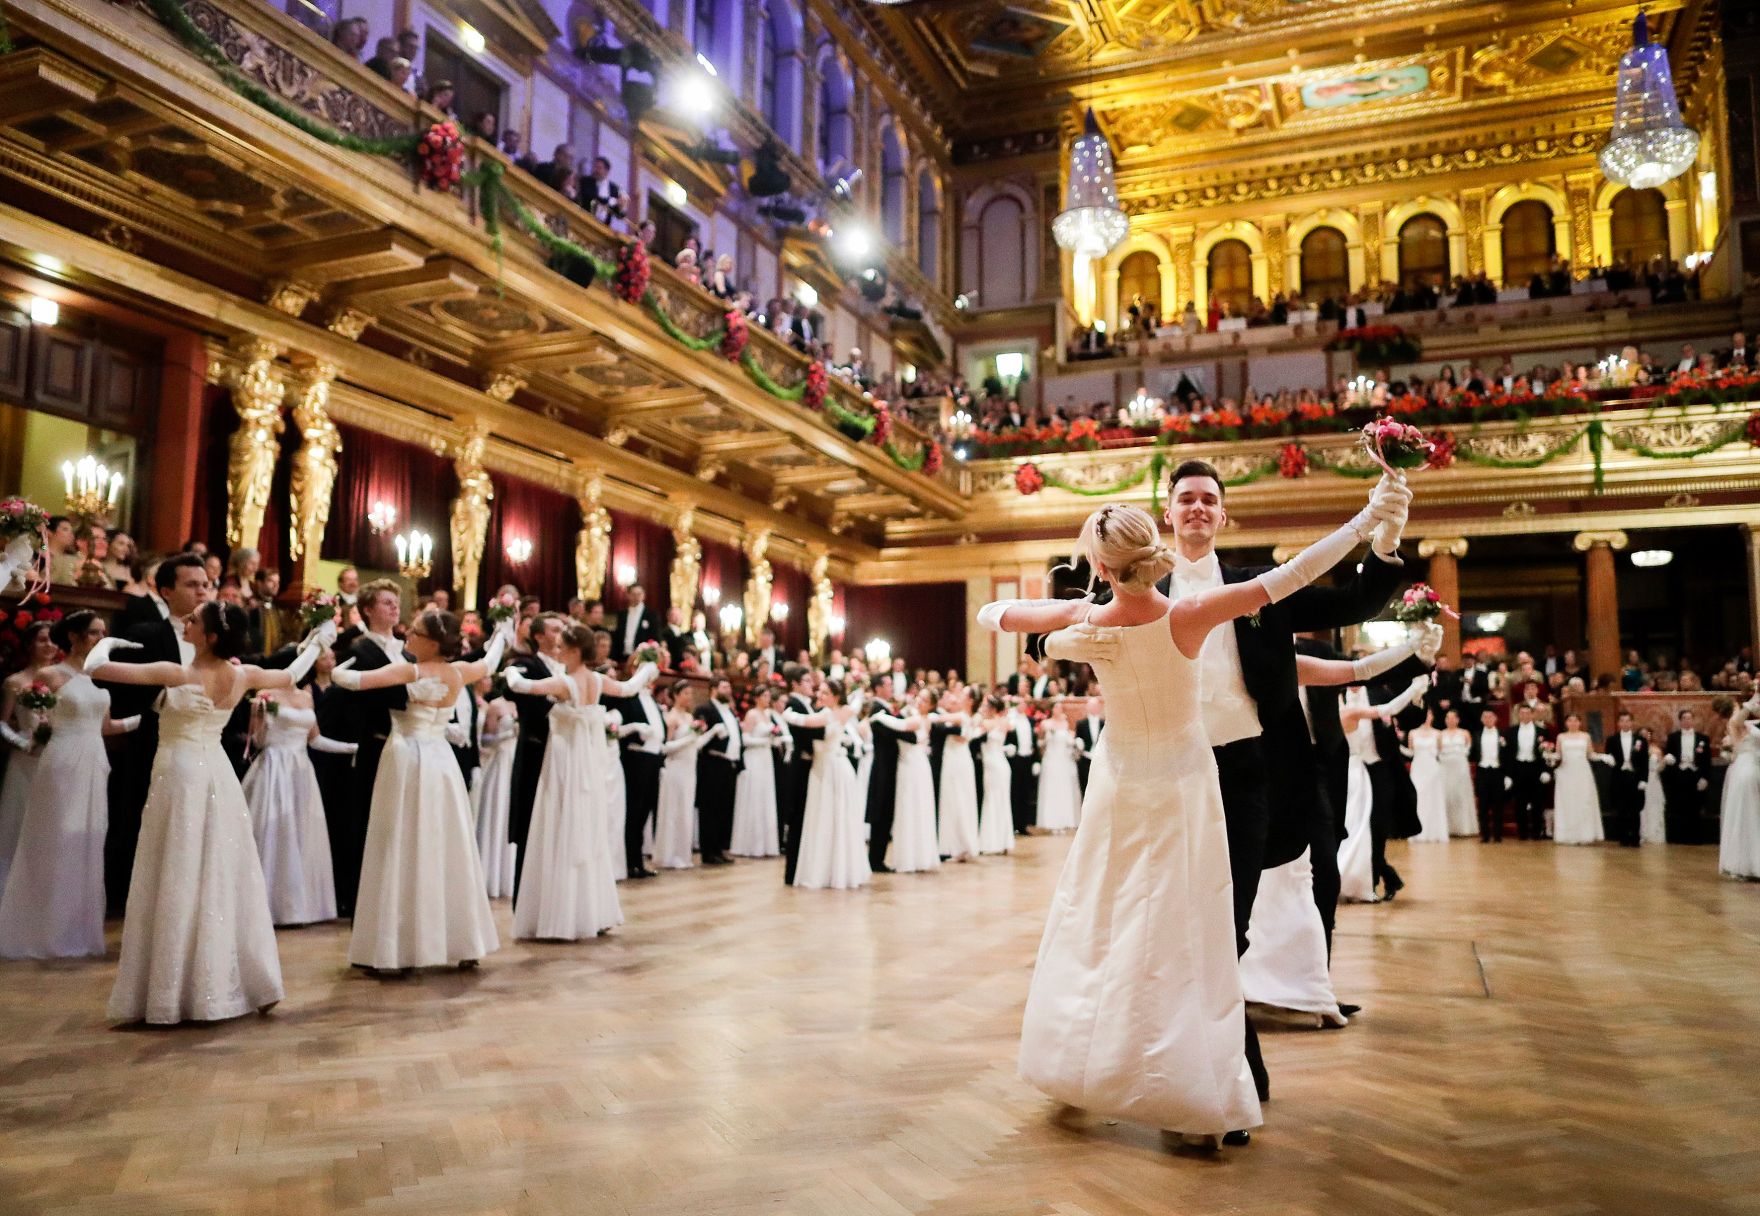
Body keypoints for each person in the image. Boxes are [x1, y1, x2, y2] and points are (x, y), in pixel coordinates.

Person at [978, 493, 1401, 1148]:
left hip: (1118, 787)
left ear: (1100, 563)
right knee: (1194, 932)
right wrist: (1364, 520)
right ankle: (1194, 1083)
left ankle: (1090, 1060)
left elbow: (992, 611)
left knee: (1102, 919)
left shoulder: (1088, 617)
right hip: (1181, 783)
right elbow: (1290, 577)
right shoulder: (1192, 613)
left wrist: (1065, 619)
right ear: (1154, 548)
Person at [1150, 459, 1409, 1102]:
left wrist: (1388, 536)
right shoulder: (1142, 588)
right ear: (1168, 513)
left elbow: (1357, 599)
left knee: (1229, 924)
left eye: (1209, 499)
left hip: (1244, 772)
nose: (1198, 509)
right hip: (1168, 776)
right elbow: (1069, 621)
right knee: (1177, 924)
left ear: (1223, 514)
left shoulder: (1258, 587)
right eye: (1186, 499)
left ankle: (1230, 1073)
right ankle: (1216, 1065)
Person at [89, 602, 332, 1022]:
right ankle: (236, 982)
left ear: (211, 636)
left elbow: (95, 668)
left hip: (180, 775)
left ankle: (174, 991)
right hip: (217, 772)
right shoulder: (242, 675)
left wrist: (108, 640)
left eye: (194, 620)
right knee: (220, 870)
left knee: (178, 869)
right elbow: (292, 674)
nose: (186, 622)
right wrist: (317, 641)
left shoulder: (177, 672)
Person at [331, 610, 508, 973]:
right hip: (441, 761)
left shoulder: (409, 670)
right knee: (447, 842)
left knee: (399, 842)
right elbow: (490, 660)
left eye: (415, 632)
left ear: (432, 642)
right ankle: (463, 941)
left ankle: (397, 948)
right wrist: (503, 632)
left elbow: (348, 681)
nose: (407, 635)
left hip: (407, 759)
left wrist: (338, 662)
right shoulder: (461, 671)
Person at [0, 612, 139, 958]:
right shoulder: (51, 675)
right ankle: (41, 930)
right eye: (94, 633)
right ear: (74, 637)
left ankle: (74, 930)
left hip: (93, 762)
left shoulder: (98, 677)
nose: (101, 638)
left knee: (88, 838)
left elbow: (106, 727)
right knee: (55, 837)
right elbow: (34, 717)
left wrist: (144, 720)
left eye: (104, 633)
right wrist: (32, 738)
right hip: (62, 759)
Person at [503, 627, 656, 939]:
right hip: (585, 761)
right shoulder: (598, 680)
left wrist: (508, 670)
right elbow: (629, 688)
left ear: (574, 650)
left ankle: (560, 915)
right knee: (584, 826)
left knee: (558, 824)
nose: (557, 651)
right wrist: (648, 669)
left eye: (561, 646)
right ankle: (589, 909)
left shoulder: (565, 682)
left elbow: (523, 686)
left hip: (563, 760)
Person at [241, 665, 356, 926]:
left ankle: (302, 907)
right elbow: (256, 741)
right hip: (274, 765)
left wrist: (352, 748)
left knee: (302, 833)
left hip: (301, 769)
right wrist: (263, 718)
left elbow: (314, 740)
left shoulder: (306, 696)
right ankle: (269, 906)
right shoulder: (265, 694)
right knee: (275, 832)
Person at [504, 612, 568, 896]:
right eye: (555, 629)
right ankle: (526, 899)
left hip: (565, 757)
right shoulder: (526, 665)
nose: (561, 635)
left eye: (564, 630)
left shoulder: (570, 670)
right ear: (539, 636)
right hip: (536, 753)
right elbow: (512, 692)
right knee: (530, 826)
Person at [786, 680, 868, 889]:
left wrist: (785, 712)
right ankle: (838, 867)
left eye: (824, 693)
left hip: (827, 769)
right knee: (834, 817)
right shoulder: (846, 710)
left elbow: (801, 720)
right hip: (837, 767)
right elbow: (858, 703)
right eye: (819, 691)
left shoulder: (825, 715)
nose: (819, 696)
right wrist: (859, 691)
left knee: (827, 816)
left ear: (835, 696)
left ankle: (827, 869)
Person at [0, 622, 58, 900]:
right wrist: (23, 742)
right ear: (30, 645)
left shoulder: (61, 680)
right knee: (17, 822)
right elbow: (2, 724)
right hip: (25, 758)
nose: (49, 646)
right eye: (42, 640)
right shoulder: (15, 682)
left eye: (52, 640)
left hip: (53, 758)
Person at [651, 684, 721, 869]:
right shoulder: (671, 717)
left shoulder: (690, 717)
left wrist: (710, 732)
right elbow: (666, 747)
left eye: (691, 693)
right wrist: (688, 738)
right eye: (686, 693)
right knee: (673, 810)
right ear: (676, 695)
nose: (690, 696)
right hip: (676, 768)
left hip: (690, 768)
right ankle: (669, 855)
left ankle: (683, 854)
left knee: (685, 811)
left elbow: (696, 744)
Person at [860, 692, 916, 871]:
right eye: (887, 685)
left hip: (889, 768)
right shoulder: (878, 711)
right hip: (883, 770)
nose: (890, 687)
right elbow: (901, 734)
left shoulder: (885, 713)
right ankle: (875, 859)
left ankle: (877, 858)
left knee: (885, 813)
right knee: (881, 812)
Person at [694, 677, 744, 865]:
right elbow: (699, 737)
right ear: (713, 689)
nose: (729, 689)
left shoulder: (729, 711)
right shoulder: (705, 710)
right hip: (712, 763)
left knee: (724, 807)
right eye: (724, 686)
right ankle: (709, 850)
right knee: (710, 808)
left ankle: (720, 848)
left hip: (729, 764)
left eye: (729, 686)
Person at [473, 691, 519, 896]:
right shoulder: (496, 706)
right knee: (496, 811)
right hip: (499, 761)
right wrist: (507, 734)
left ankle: (508, 876)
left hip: (514, 760)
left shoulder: (517, 705)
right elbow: (486, 738)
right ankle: (489, 876)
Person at [729, 687, 781, 858]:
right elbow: (745, 738)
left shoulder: (768, 715)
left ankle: (766, 844)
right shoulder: (752, 714)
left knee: (765, 796)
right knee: (754, 795)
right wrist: (764, 740)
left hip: (766, 758)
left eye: (768, 695)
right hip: (754, 757)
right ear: (757, 698)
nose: (768, 698)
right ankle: (750, 844)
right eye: (765, 695)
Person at [932, 690, 980, 862]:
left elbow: (936, 719)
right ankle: (958, 845)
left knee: (956, 800)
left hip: (956, 762)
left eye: (962, 695)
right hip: (957, 759)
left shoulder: (961, 716)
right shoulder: (966, 717)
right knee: (957, 801)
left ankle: (959, 845)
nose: (958, 697)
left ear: (969, 700)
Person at [1718, 697, 1760, 879]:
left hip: (1752, 768)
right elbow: (1738, 720)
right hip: (1746, 769)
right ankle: (1745, 862)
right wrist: (1752, 701)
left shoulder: (1749, 725)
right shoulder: (1734, 725)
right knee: (1747, 814)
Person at [1550, 712, 1606, 845]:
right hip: (1566, 772)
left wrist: (1603, 757)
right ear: (1566, 723)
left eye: (1576, 721)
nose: (1573, 723)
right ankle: (1567, 834)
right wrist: (1550, 756)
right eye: (1570, 720)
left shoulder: (1585, 736)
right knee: (1568, 800)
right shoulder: (1561, 737)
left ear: (1580, 723)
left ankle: (1585, 833)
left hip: (1582, 771)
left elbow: (1590, 754)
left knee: (1584, 800)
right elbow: (1558, 755)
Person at [1663, 710, 1712, 842]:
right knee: (1679, 806)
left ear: (1693, 720)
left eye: (1689, 718)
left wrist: (1705, 778)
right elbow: (1668, 755)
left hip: (1695, 774)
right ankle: (1679, 837)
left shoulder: (1703, 739)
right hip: (1679, 774)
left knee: (1695, 806)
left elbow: (1707, 761)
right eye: (1684, 718)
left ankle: (1695, 837)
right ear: (1680, 721)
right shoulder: (1673, 737)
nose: (1687, 721)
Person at [1603, 710, 1650, 848]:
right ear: (1618, 723)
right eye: (1622, 721)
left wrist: (1644, 780)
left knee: (1635, 809)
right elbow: (1609, 757)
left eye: (1627, 720)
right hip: (1619, 777)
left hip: (1635, 777)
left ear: (1632, 722)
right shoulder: (1612, 740)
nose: (1625, 723)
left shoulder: (1641, 740)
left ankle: (1635, 837)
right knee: (1621, 808)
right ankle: (1623, 837)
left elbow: (1644, 762)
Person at [976, 696, 1015, 855]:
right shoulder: (1003, 722)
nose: (982, 708)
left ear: (992, 709)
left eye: (985, 706)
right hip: (998, 763)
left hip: (994, 765)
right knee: (998, 800)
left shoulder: (987, 723)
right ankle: (1002, 840)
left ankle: (993, 842)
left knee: (994, 800)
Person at [1035, 702, 1082, 832]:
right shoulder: (1045, 724)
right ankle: (1051, 822)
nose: (1058, 710)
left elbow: (1069, 740)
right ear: (1052, 709)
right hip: (1051, 758)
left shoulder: (1066, 724)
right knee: (1052, 788)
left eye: (1060, 708)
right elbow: (1040, 743)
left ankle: (1065, 820)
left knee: (1063, 788)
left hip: (1063, 759)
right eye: (1056, 707)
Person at [1407, 707, 1449, 842]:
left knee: (1433, 798)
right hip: (1418, 768)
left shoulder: (1438, 733)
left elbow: (1440, 753)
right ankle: (1418, 831)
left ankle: (1434, 831)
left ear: (1433, 717)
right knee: (1419, 797)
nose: (1427, 717)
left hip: (1432, 769)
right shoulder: (1412, 733)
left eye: (1429, 714)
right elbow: (1411, 752)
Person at [1470, 707, 1509, 842]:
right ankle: (1485, 835)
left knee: (1497, 805)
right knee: (1483, 806)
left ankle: (1498, 835)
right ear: (1481, 720)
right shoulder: (1476, 735)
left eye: (1490, 717)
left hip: (1497, 772)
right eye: (1485, 717)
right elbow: (1473, 753)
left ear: (1495, 719)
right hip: (1483, 771)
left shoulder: (1503, 734)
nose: (1488, 720)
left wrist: (1507, 775)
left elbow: (1507, 756)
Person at [1438, 707, 1477, 837]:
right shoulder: (1440, 734)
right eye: (1448, 718)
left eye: (1453, 717)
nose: (1450, 720)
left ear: (1458, 720)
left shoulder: (1465, 733)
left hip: (1460, 766)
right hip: (1445, 766)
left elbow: (1468, 749)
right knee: (1447, 795)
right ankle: (1447, 828)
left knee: (1460, 795)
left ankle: (1464, 827)